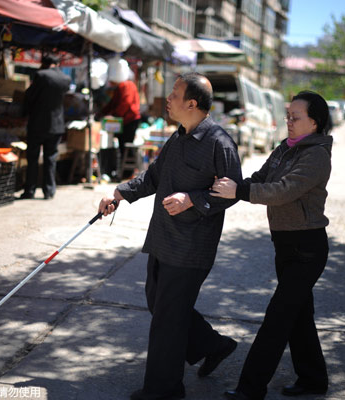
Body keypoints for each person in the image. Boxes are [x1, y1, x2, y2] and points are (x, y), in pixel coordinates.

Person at [98, 72, 243, 400]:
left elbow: (232, 192)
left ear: (192, 103)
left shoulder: (219, 143)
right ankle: (213, 345)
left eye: (174, 94)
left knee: (167, 319)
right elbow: (153, 177)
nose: (168, 99)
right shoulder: (178, 137)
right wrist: (119, 194)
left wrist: (192, 199)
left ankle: (164, 390)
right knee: (159, 303)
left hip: (191, 247)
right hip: (163, 239)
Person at [211, 91, 333, 400]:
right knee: (299, 316)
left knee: (278, 318)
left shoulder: (316, 155)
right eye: (288, 116)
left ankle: (250, 388)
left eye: (296, 118)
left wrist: (238, 191)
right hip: (286, 244)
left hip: (307, 247)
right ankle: (313, 379)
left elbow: (282, 191)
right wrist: (225, 186)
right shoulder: (285, 148)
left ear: (315, 122)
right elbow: (259, 178)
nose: (288, 122)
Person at [20, 54, 71, 200]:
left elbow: (30, 96)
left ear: (44, 63)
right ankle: (49, 191)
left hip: (38, 124)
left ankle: (30, 190)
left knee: (33, 158)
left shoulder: (41, 75)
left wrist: (23, 113)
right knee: (51, 158)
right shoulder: (65, 78)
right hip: (56, 125)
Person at [95, 58, 141, 179]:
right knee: (122, 146)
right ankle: (122, 172)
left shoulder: (127, 85)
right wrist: (102, 113)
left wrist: (113, 115)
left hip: (130, 120)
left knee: (125, 146)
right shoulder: (121, 86)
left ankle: (127, 173)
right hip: (125, 120)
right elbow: (112, 103)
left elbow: (125, 104)